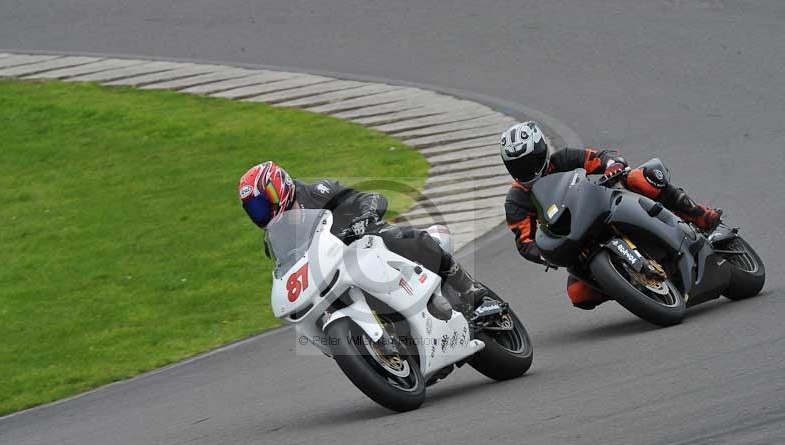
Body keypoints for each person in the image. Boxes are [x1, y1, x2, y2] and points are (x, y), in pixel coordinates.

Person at [501, 122, 723, 310]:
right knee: (578, 294)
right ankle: (629, 284)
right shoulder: (516, 201)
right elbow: (524, 241)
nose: (525, 170)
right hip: (574, 241)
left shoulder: (563, 159)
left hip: (601, 207)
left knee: (638, 178)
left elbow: (599, 157)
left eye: (530, 161)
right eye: (517, 166)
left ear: (542, 153)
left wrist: (612, 164)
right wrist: (543, 254)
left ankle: (697, 214)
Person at [238, 161, 486, 308]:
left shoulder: (318, 192)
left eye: (262, 203)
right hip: (333, 270)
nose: (261, 213)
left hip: (365, 242)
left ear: (278, 187)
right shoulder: (275, 238)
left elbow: (369, 198)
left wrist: (365, 217)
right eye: (254, 210)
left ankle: (467, 287)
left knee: (405, 238)